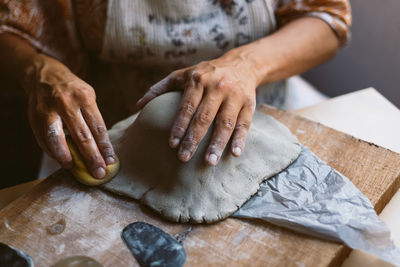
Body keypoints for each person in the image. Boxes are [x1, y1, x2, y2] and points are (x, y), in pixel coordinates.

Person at [0, 0, 351, 180]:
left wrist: (247, 64)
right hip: (114, 133)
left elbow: (327, 17)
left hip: (266, 112)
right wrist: (37, 69)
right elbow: (10, 24)